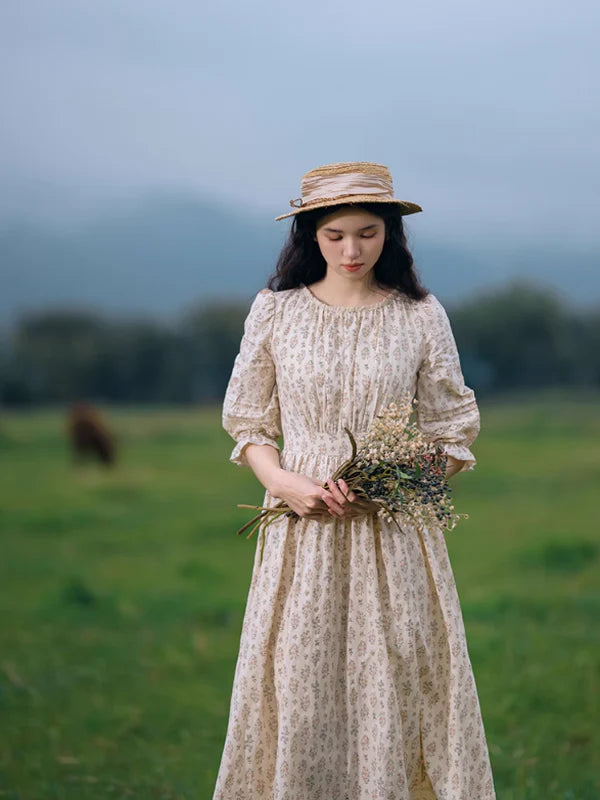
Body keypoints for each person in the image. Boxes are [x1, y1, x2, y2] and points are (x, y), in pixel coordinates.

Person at [212, 161, 496, 800]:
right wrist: (283, 482)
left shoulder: (420, 315)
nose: (351, 249)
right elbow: (249, 424)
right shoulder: (274, 311)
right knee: (300, 683)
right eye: (335, 233)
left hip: (394, 537)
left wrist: (388, 487)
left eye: (367, 233)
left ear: (390, 234)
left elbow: (454, 432)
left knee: (397, 681)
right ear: (310, 234)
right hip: (301, 536)